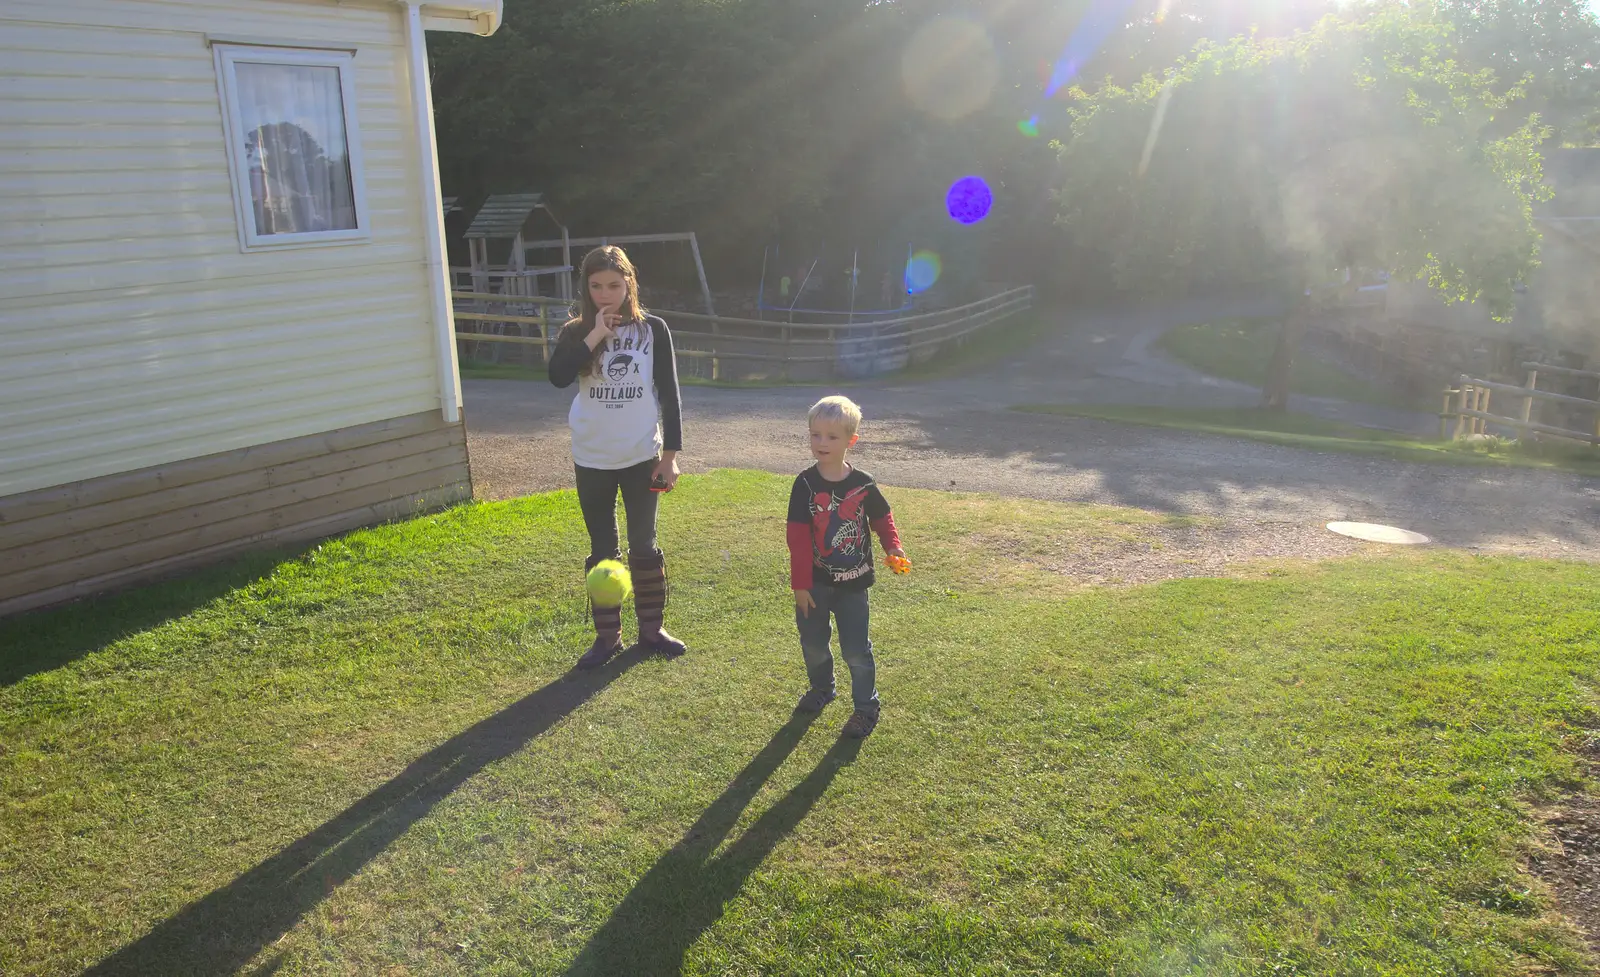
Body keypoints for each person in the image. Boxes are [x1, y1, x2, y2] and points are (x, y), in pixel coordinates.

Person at [549, 246, 686, 669]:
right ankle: (607, 637)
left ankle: (651, 629)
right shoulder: (576, 331)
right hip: (592, 457)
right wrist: (595, 334)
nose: (605, 294)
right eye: (596, 286)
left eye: (614, 284)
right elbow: (556, 378)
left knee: (644, 545)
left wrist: (671, 456)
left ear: (629, 282)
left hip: (641, 455)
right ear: (586, 288)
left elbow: (670, 393)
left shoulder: (653, 330)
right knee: (602, 549)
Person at [784, 396, 907, 738]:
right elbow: (796, 538)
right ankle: (823, 688)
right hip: (815, 585)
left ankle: (866, 708)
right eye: (815, 435)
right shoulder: (805, 484)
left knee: (856, 649)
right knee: (813, 642)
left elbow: (883, 518)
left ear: (851, 441)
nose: (821, 443)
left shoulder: (863, 483)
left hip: (854, 585)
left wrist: (893, 546)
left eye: (831, 437)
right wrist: (800, 584)